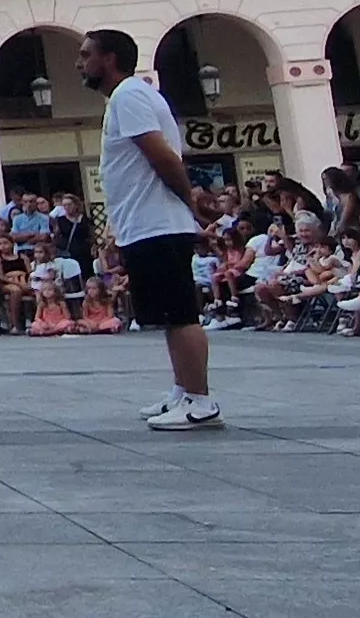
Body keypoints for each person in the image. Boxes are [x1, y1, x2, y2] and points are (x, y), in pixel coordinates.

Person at [77, 29, 216, 428]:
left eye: (87, 54)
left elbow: (163, 157)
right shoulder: (126, 98)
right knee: (170, 315)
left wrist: (189, 203)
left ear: (110, 58)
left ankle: (201, 401)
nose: (80, 62)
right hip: (144, 223)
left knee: (181, 313)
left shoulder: (129, 96)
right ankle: (183, 390)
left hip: (158, 223)